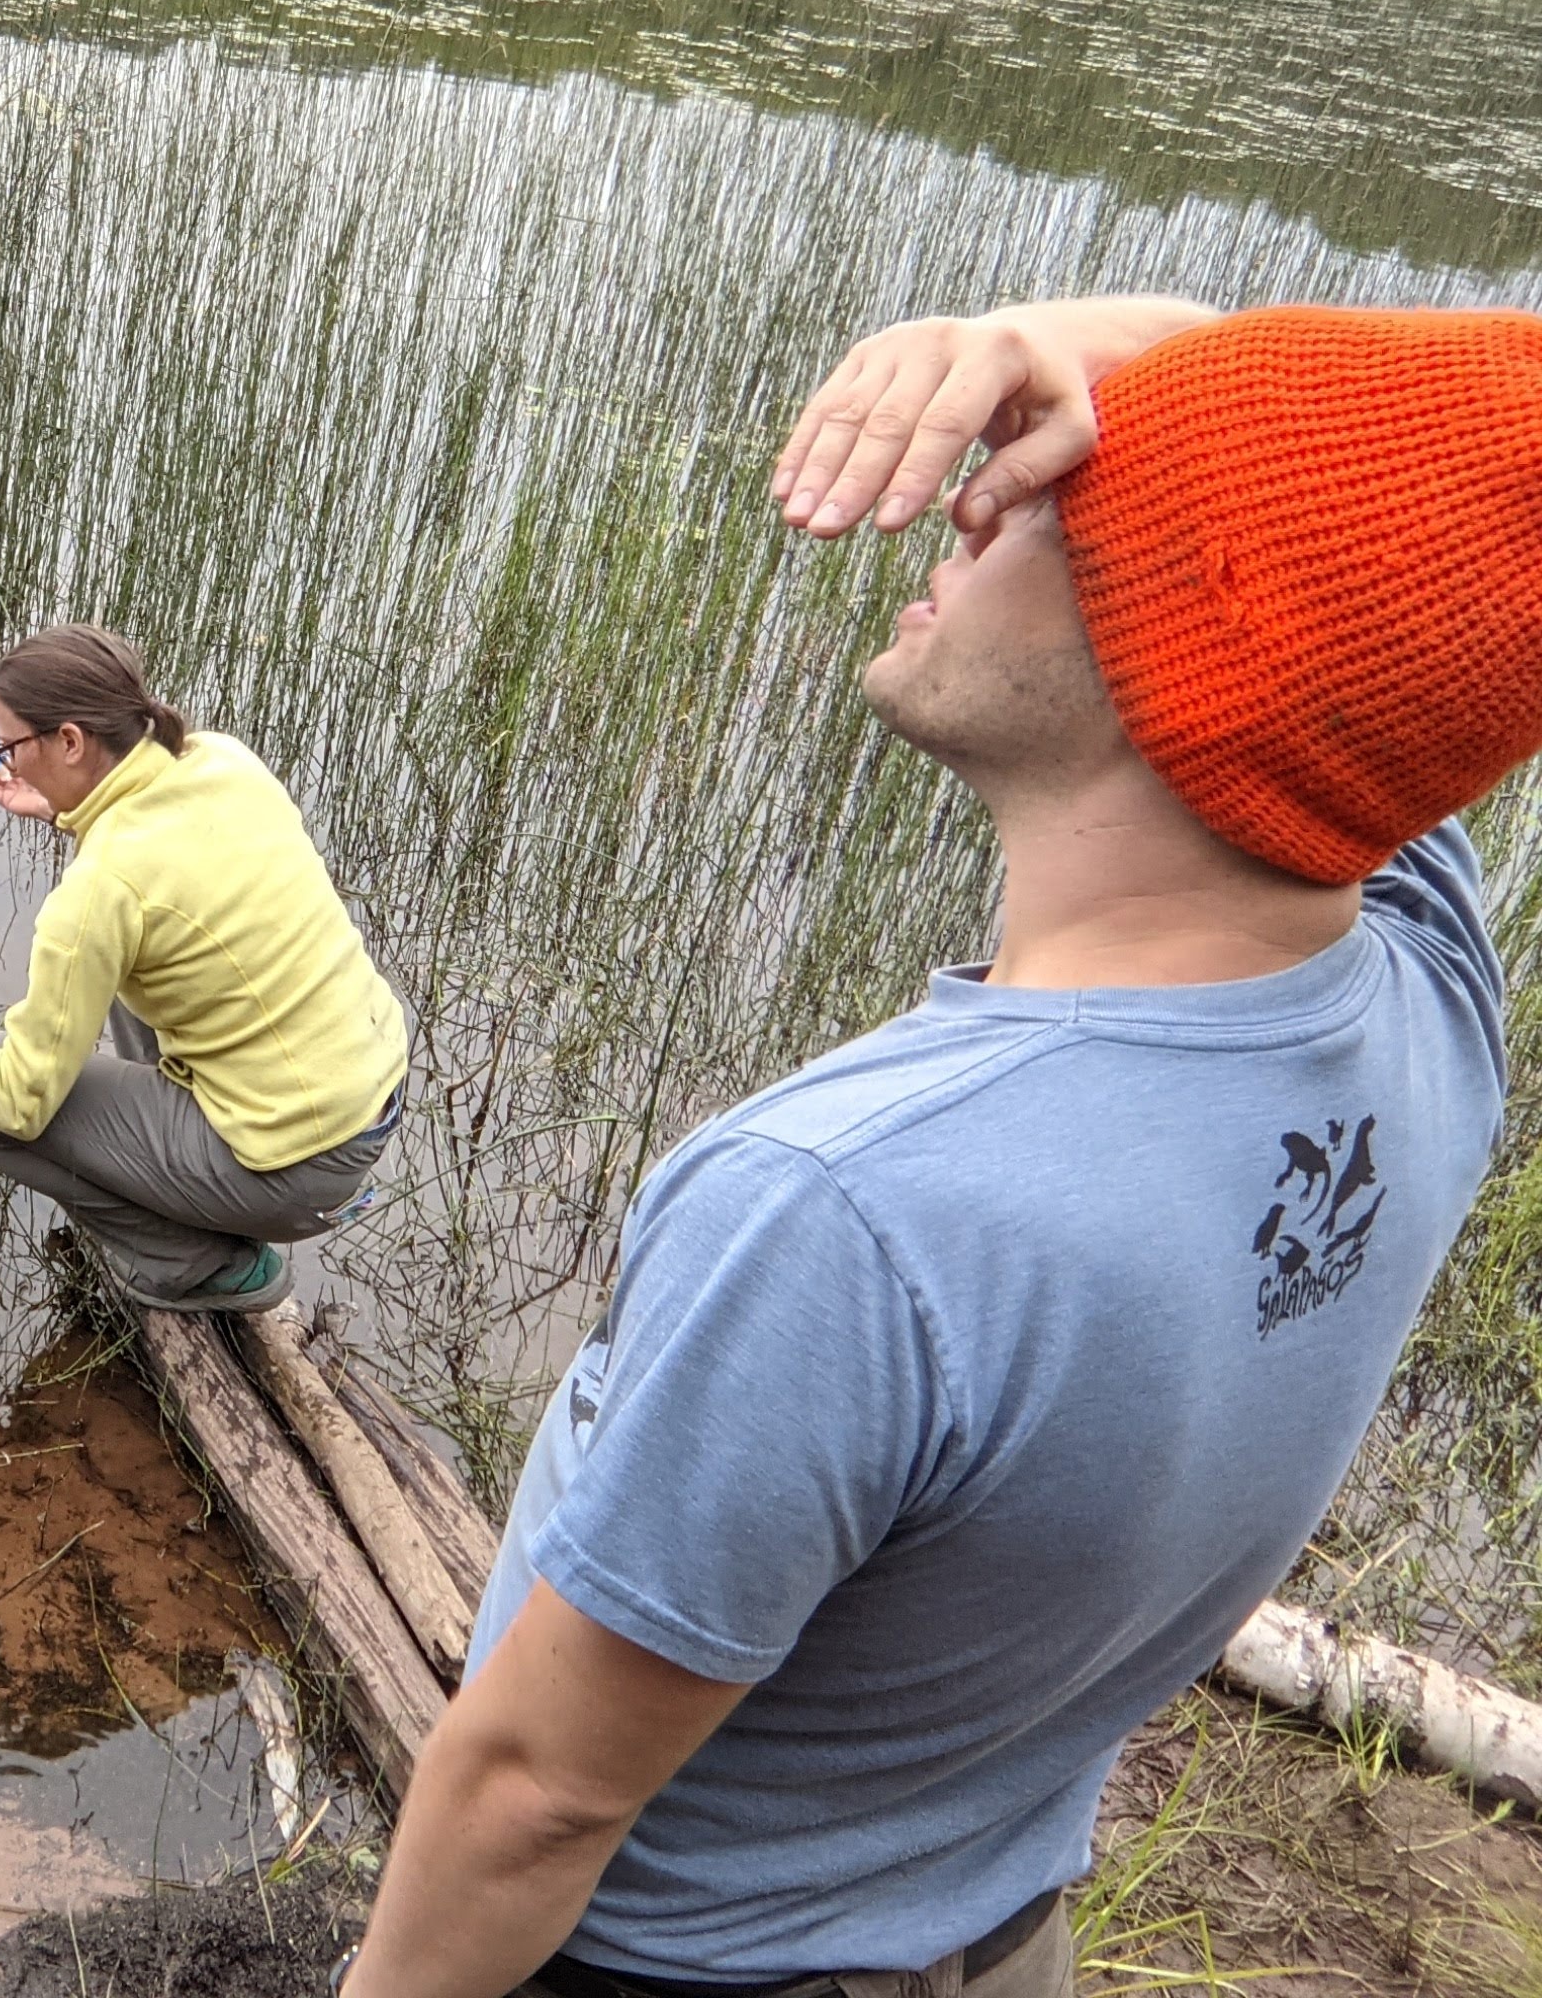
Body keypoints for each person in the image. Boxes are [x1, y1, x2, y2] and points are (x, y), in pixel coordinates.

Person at [334, 294, 1542, 1998]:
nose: (978, 500)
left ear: (1185, 662)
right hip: (995, 1932)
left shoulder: (853, 1209)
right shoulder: (1426, 987)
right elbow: (1423, 552)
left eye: (1061, 498)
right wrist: (1029, 334)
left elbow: (538, 1794)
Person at [0, 623, 411, 1313]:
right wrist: (63, 807)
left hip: (295, 1168)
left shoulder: (100, 892)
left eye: (11, 747)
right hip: (369, 1097)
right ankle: (184, 1177)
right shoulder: (220, 759)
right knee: (123, 963)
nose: (7, 763)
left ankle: (201, 1265)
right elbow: (146, 856)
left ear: (70, 741)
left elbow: (16, 1100)